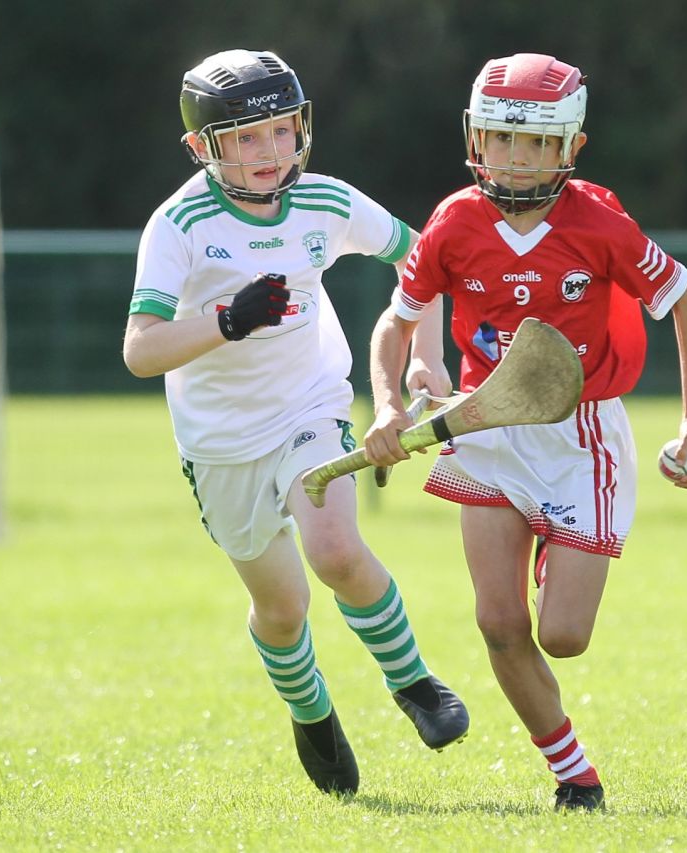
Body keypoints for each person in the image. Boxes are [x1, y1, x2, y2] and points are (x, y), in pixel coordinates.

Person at [364, 53, 687, 812]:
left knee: (563, 637)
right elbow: (398, 320)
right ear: (474, 139)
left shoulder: (598, 224)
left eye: (534, 145)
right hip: (487, 426)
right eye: (499, 141)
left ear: (570, 149)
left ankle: (562, 548)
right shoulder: (455, 220)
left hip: (579, 437)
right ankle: (574, 775)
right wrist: (390, 405)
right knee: (496, 622)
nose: (515, 161)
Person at [122, 49, 468, 796]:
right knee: (282, 611)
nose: (269, 151)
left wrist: (423, 360)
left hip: (310, 405)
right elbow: (141, 351)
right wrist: (227, 320)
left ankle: (415, 684)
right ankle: (311, 713)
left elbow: (425, 265)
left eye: (281, 130)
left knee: (337, 551)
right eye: (246, 138)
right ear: (201, 147)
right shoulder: (177, 224)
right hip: (219, 443)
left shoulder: (327, 201)